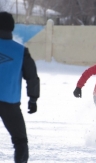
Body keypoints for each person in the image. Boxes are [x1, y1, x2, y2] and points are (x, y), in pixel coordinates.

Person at [0, 12, 40, 163]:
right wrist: (33, 99)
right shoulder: (21, 51)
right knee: (20, 142)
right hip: (10, 103)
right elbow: (32, 77)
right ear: (12, 27)